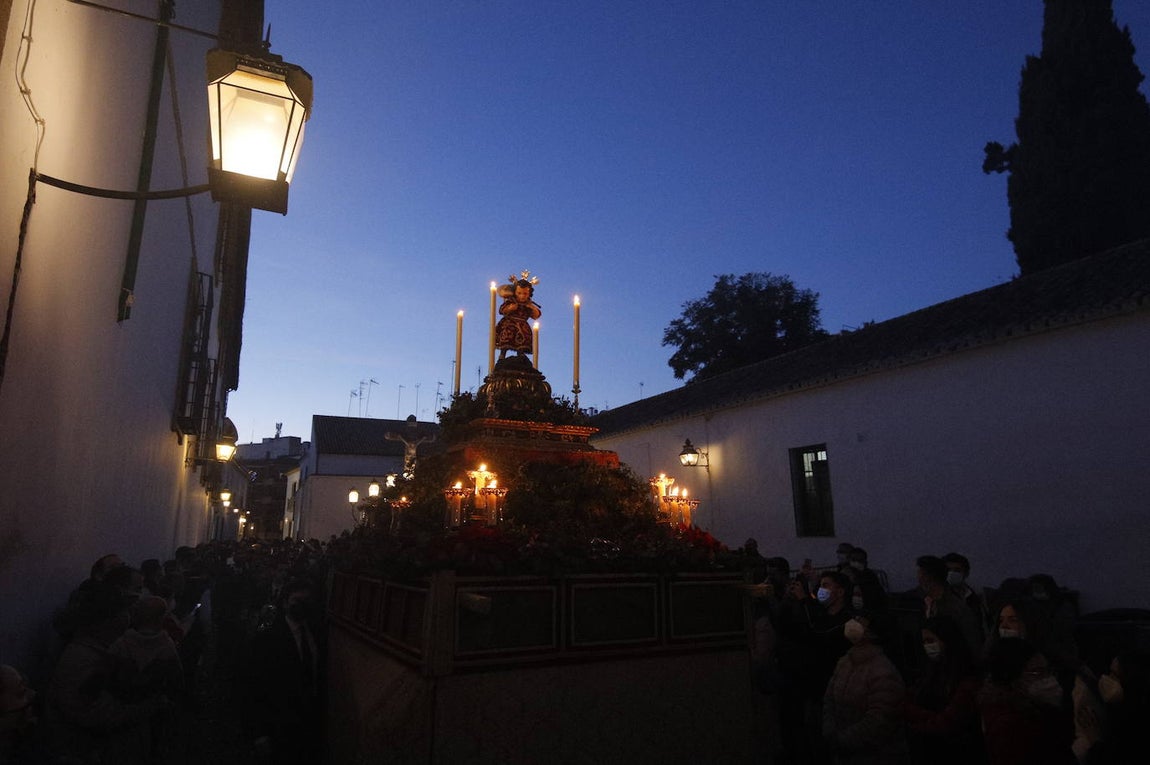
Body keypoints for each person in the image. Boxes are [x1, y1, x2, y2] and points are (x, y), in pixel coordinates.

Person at [44, 581, 168, 764]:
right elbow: (99, 714)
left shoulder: (101, 648)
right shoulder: (82, 659)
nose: (129, 615)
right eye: (125, 610)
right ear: (109, 619)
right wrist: (152, 703)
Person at [241, 577, 325, 764]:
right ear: (285, 603)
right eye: (297, 601)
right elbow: (252, 686)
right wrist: (258, 732)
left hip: (308, 721)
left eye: (307, 601)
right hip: (278, 723)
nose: (303, 606)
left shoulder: (317, 634)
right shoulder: (266, 640)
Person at [822, 612, 908, 764]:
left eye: (860, 620)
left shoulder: (883, 670)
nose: (853, 623)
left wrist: (843, 739)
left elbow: (879, 720)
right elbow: (829, 699)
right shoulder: (846, 661)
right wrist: (830, 729)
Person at [977, 638, 1076, 765]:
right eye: (1037, 672)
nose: (1048, 679)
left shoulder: (1030, 708)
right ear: (1013, 678)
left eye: (1048, 671)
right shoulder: (1009, 724)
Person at [902, 616, 985, 765]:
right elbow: (905, 702)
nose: (927, 646)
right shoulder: (930, 671)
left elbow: (948, 722)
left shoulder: (966, 678)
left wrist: (916, 718)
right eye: (924, 642)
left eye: (931, 641)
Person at [916, 555, 983, 660]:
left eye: (921, 575)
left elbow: (971, 643)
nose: (919, 580)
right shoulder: (926, 602)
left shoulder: (954, 607)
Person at [942, 552, 988, 635]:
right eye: (948, 570)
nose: (952, 573)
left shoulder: (977, 597)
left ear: (966, 573)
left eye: (957, 570)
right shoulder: (934, 597)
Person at [495, 277, 541, 359]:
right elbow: (501, 310)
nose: (522, 296)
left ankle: (521, 353)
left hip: (523, 325)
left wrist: (533, 308)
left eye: (525, 294)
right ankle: (503, 353)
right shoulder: (511, 301)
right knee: (507, 335)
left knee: (524, 337)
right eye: (519, 293)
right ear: (515, 292)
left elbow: (536, 316)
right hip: (509, 323)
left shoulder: (528, 305)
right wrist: (510, 308)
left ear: (529, 294)